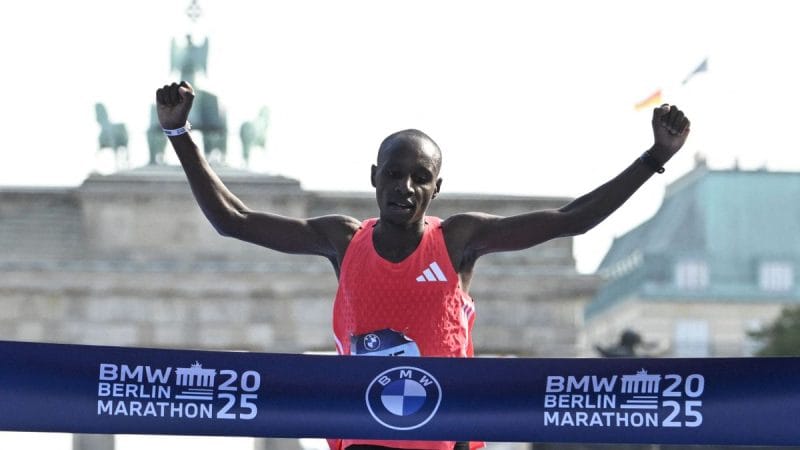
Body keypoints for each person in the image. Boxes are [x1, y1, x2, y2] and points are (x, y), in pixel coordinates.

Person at [155, 81, 690, 450]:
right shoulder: (342, 241)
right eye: (393, 174)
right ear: (374, 177)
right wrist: (179, 135)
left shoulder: (460, 240)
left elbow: (572, 219)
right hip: (365, 433)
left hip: (444, 432)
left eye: (419, 177)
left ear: (437, 188)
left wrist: (653, 157)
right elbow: (235, 219)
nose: (403, 188)